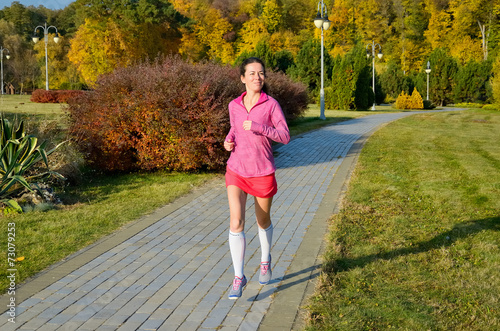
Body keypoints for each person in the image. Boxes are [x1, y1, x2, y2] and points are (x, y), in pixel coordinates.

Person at [224, 57, 290, 299]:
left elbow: (284, 136)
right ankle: (238, 277)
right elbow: (234, 128)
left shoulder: (271, 105)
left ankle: (265, 260)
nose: (257, 77)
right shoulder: (234, 105)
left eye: (261, 73)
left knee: (262, 221)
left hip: (262, 171)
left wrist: (260, 127)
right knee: (236, 223)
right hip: (236, 169)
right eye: (252, 73)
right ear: (243, 78)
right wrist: (228, 140)